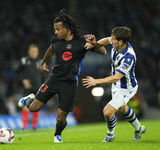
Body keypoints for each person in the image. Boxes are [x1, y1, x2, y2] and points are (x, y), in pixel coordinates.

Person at [18, 9, 106, 143]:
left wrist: (94, 43)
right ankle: (29, 99)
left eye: (58, 29)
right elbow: (51, 49)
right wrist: (43, 62)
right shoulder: (56, 40)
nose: (55, 32)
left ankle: (57, 134)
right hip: (53, 79)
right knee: (34, 108)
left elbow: (103, 52)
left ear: (67, 28)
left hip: (69, 83)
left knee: (60, 118)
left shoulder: (82, 42)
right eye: (55, 29)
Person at [82, 27, 147, 142]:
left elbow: (116, 77)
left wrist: (96, 81)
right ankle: (138, 128)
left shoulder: (128, 57)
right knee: (122, 109)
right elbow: (107, 40)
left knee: (107, 112)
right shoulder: (116, 43)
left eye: (113, 38)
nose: (111, 40)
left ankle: (110, 135)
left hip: (126, 88)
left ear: (120, 41)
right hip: (117, 85)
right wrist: (94, 44)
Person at [15, 44, 45, 131]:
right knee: (26, 106)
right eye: (32, 51)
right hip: (28, 88)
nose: (34, 53)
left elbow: (43, 75)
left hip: (38, 87)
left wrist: (43, 84)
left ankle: (34, 127)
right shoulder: (24, 61)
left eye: (35, 51)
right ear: (29, 52)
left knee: (37, 106)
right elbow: (15, 72)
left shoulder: (41, 62)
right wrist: (23, 80)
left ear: (38, 52)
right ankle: (24, 127)